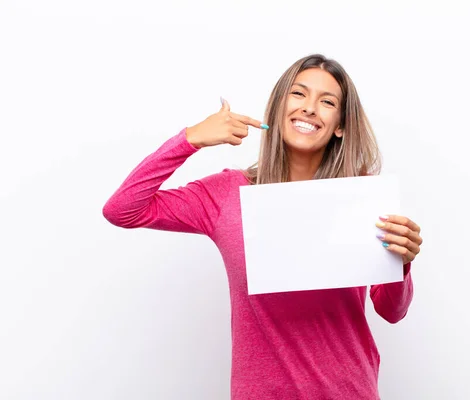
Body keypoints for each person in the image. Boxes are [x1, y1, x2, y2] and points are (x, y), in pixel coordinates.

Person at [102, 53, 423, 400]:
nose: (310, 108)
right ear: (278, 108)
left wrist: (401, 263)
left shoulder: (361, 197)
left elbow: (392, 311)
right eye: (298, 94)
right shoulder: (228, 195)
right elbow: (122, 209)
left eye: (327, 101)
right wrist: (190, 139)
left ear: (340, 125)